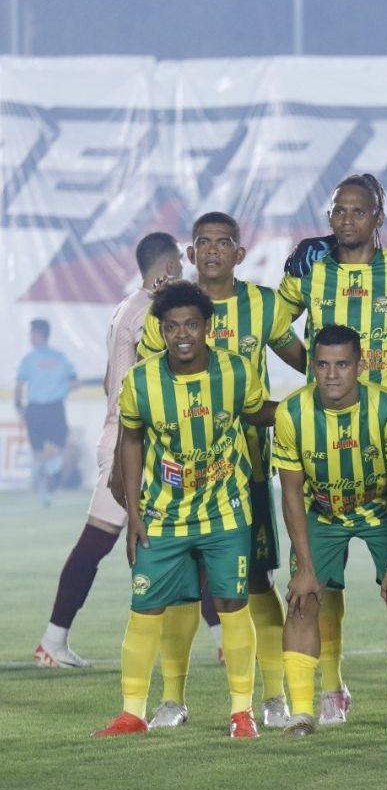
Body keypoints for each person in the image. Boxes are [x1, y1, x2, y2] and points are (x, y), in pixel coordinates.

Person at [279, 173, 387, 724]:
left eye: (359, 211)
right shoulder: (311, 270)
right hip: (321, 443)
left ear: (379, 218)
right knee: (315, 587)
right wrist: (312, 368)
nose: (347, 219)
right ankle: (328, 691)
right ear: (329, 217)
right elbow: (274, 328)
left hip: (385, 442)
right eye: (338, 210)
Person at [137, 212, 306, 730]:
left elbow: (308, 361)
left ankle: (273, 696)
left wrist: (311, 412)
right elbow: (146, 389)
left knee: (255, 582)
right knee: (181, 589)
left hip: (246, 473)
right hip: (176, 481)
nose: (212, 251)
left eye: (223, 242)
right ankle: (173, 699)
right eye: (202, 242)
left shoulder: (263, 305)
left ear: (239, 251)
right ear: (190, 253)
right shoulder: (168, 312)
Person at [93, 280, 276, 739]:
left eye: (192, 324)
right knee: (145, 609)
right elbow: (130, 440)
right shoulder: (141, 380)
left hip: (225, 512)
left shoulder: (235, 371)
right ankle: (132, 712)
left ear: (207, 327)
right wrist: (134, 515)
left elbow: (257, 413)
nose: (183, 335)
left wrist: (311, 403)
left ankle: (241, 713)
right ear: (161, 330)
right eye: (172, 326)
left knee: (233, 604)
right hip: (162, 515)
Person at [33, 233, 181, 669]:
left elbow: (106, 381)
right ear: (168, 269)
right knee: (96, 541)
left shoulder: (125, 308)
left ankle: (221, 640)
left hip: (127, 438)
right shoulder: (151, 314)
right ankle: (52, 642)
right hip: (126, 444)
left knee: (191, 535)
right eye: (181, 267)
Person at [274, 325, 387, 737]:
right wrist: (305, 567)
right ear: (313, 367)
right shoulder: (290, 414)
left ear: (359, 366)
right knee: (303, 598)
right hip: (322, 511)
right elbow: (291, 496)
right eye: (322, 365)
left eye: (342, 364)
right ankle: (302, 714)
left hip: (382, 510)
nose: (332, 374)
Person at [15, 318, 78, 507]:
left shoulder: (58, 357)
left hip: (46, 408)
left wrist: (19, 406)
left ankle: (51, 476)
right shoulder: (31, 358)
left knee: (54, 448)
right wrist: (61, 391)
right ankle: (45, 489)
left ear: (39, 334)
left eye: (32, 333)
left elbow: (73, 381)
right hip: (41, 407)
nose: (30, 337)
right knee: (40, 451)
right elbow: (74, 382)